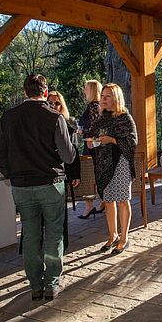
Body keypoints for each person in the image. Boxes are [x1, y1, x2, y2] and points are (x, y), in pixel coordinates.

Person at [0, 74, 76, 301]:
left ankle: (35, 285)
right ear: (45, 91)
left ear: (25, 92)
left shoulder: (8, 117)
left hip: (22, 186)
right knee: (54, 235)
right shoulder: (54, 117)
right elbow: (68, 156)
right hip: (51, 183)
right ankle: (51, 283)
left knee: (29, 235)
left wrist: (12, 174)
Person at [86, 83, 137, 256]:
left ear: (116, 98)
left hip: (121, 162)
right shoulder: (100, 119)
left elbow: (132, 142)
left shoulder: (125, 118)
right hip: (103, 165)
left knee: (122, 200)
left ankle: (124, 238)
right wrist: (91, 143)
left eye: (107, 96)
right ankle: (113, 235)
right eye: (102, 96)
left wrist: (112, 140)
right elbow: (91, 136)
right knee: (108, 200)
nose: (104, 99)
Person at [47, 91, 81, 250]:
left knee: (61, 212)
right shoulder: (42, 123)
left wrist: (76, 175)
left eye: (57, 103)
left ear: (62, 106)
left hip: (62, 174)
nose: (54, 106)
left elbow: (74, 151)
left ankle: (62, 244)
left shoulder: (68, 125)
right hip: (45, 173)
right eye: (50, 103)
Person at [77, 80, 103, 218]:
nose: (84, 90)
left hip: (92, 146)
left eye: (86, 88)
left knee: (88, 175)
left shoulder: (94, 106)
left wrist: (82, 131)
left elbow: (96, 127)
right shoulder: (96, 105)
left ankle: (89, 206)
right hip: (93, 145)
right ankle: (99, 204)